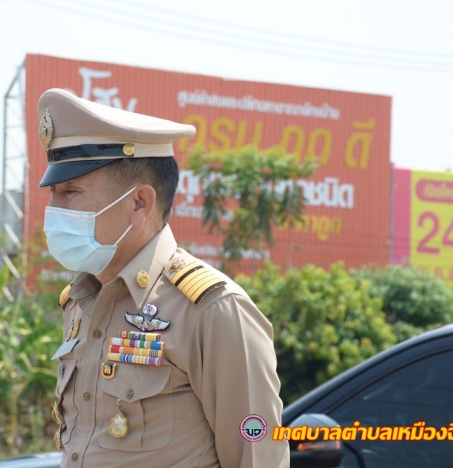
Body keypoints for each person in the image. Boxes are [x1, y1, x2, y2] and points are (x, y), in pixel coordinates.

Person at [38, 88, 289, 467]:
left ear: (140, 203)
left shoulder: (213, 309)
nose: (54, 210)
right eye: (53, 193)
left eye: (71, 191)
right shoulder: (80, 299)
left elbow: (258, 458)